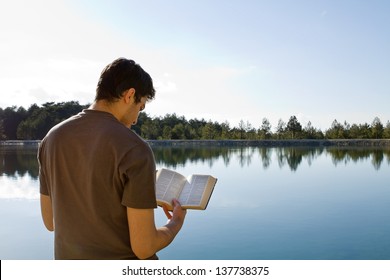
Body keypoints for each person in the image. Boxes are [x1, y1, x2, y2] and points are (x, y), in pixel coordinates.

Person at [38, 58, 186, 260]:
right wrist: (175, 223)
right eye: (140, 108)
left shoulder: (51, 139)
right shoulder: (135, 148)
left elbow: (50, 221)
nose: (135, 120)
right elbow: (144, 247)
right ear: (130, 95)